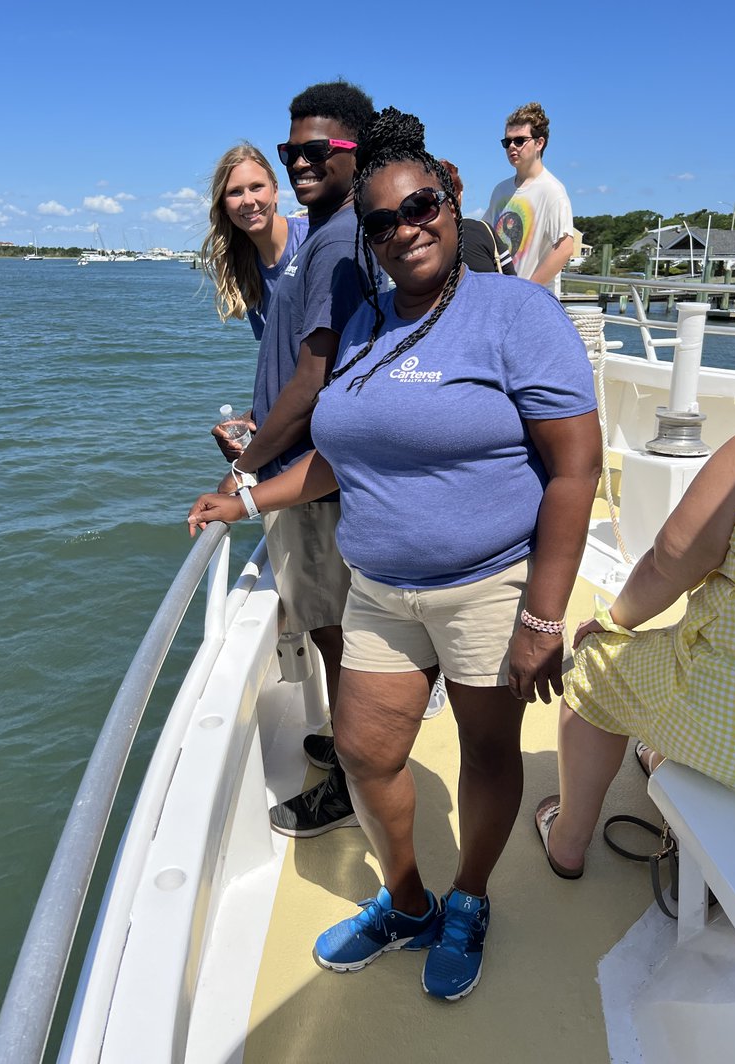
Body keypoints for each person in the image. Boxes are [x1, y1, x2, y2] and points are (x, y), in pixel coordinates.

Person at [189, 107, 601, 1001]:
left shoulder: (516, 314)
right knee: (368, 753)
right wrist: (249, 494)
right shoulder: (368, 323)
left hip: (490, 586)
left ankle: (470, 901)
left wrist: (543, 615)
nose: (404, 230)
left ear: (453, 208)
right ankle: (408, 903)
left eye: (420, 208)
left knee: (487, 758)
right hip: (379, 587)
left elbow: (576, 468)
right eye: (381, 222)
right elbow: (338, 455)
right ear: (368, 239)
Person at [213, 81, 378, 838]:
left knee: (335, 633)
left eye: (317, 151)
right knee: (325, 625)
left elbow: (314, 379)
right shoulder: (326, 236)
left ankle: (351, 782)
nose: (302, 162)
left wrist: (244, 476)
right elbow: (297, 365)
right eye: (293, 151)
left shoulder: (335, 240)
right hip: (299, 461)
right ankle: (347, 746)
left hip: (311, 477)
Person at [535, 430, 735, 879]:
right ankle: (660, 754)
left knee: (597, 665)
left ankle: (568, 840)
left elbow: (668, 562)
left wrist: (613, 620)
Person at [200, 144, 308, 343]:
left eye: (257, 187)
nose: (248, 201)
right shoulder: (245, 268)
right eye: (235, 192)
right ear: (223, 204)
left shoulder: (311, 240)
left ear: (275, 191)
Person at [483, 102, 574, 291]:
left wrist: (527, 292)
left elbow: (565, 248)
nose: (512, 147)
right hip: (501, 297)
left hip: (534, 305)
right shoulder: (500, 190)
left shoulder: (552, 190)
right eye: (507, 142)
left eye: (519, 141)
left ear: (539, 143)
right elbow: (486, 237)